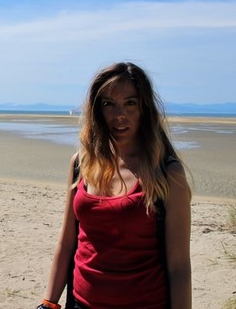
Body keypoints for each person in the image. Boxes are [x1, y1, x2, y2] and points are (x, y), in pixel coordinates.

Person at [38, 62, 192, 309]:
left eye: (130, 103)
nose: (119, 115)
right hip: (81, 303)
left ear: (144, 109)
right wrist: (49, 303)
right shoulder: (81, 163)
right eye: (108, 104)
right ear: (97, 110)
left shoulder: (167, 173)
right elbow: (67, 241)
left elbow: (179, 266)